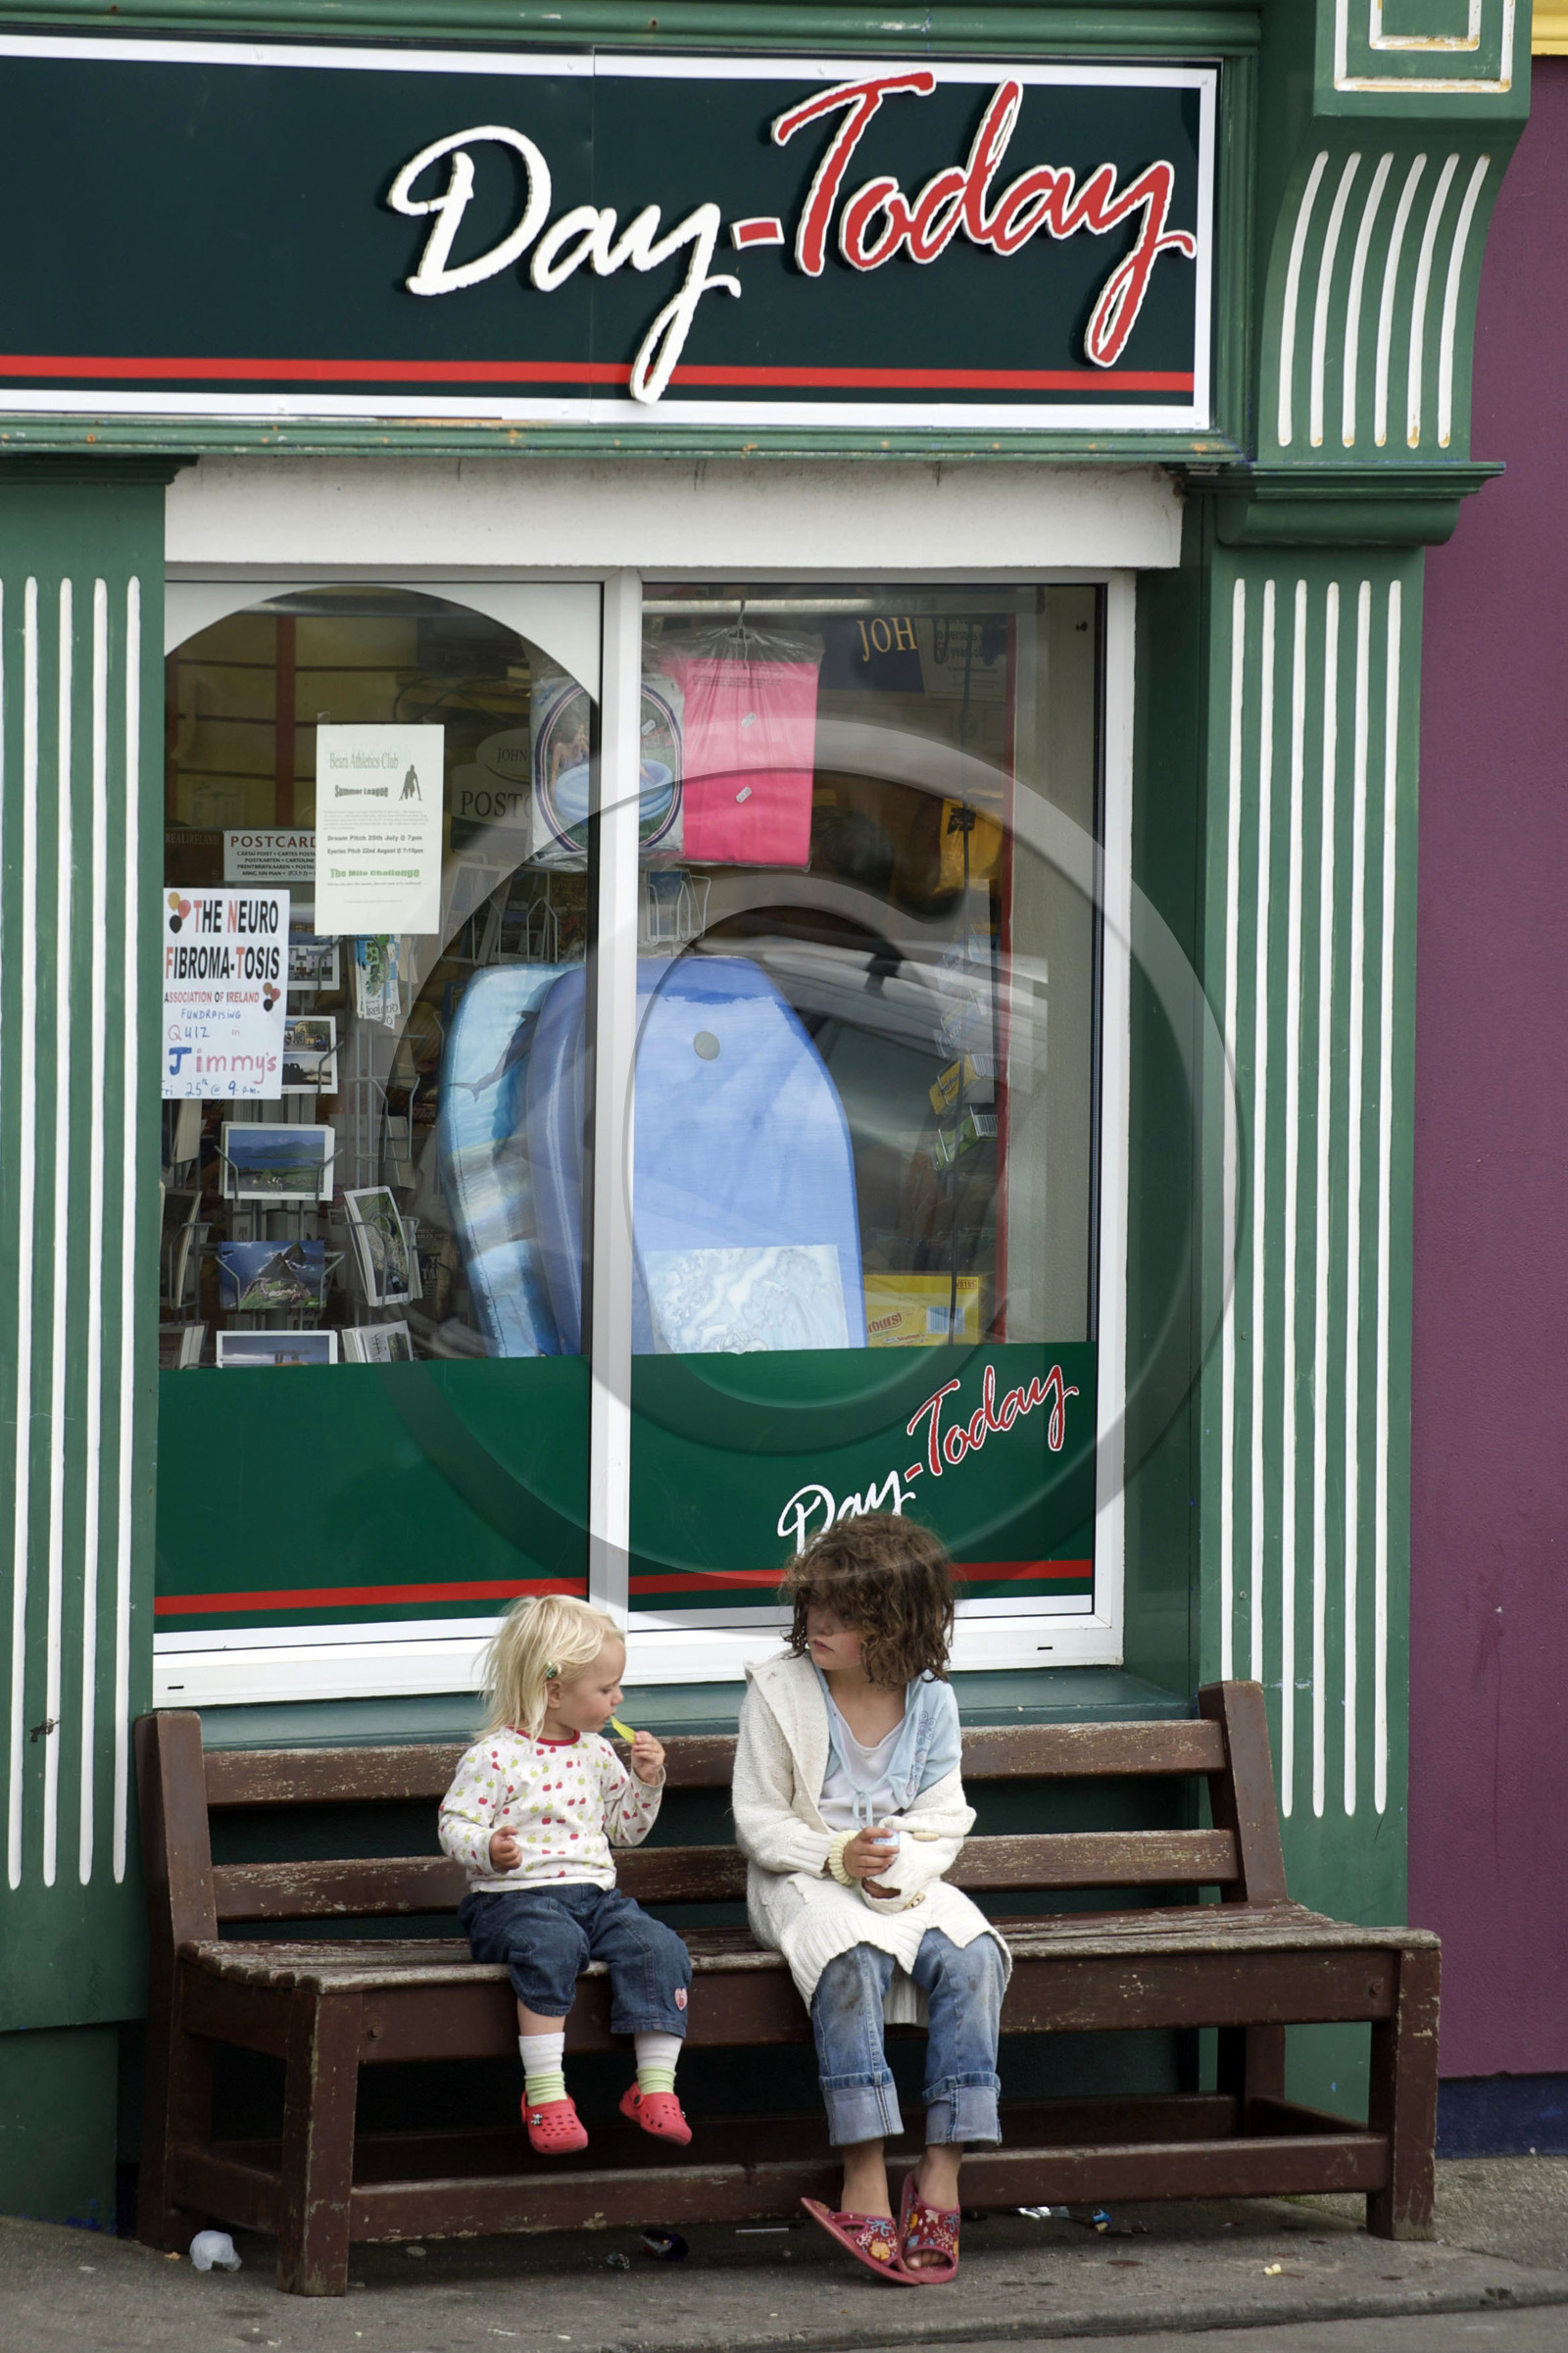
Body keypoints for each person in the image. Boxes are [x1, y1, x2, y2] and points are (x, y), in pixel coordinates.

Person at [732, 1514, 1009, 2285]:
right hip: (803, 1879)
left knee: (977, 1955)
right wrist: (836, 1854)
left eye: (846, 1615)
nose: (820, 1622)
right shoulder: (780, 1691)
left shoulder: (930, 1701)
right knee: (847, 1958)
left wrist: (903, 1867)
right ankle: (862, 2172)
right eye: (816, 1603)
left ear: (894, 1624)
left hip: (901, 1883)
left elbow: (944, 1812)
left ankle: (943, 2168)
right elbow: (758, 1819)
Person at [439, 1594, 692, 2155]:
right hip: (513, 1902)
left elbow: (625, 1830)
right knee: (553, 1943)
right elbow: (454, 1823)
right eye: (605, 1689)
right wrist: (486, 1846)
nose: (617, 1698)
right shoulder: (497, 1757)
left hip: (597, 1899)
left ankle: (654, 2088)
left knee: (659, 1946)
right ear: (553, 1691)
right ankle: (546, 2094)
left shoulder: (599, 1753)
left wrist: (646, 1781)